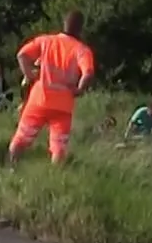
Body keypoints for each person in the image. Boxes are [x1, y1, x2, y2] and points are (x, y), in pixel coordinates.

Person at [9, 11, 96, 164]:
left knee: (21, 137)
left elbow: (22, 55)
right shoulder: (82, 50)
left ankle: (11, 166)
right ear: (81, 28)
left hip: (39, 99)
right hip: (63, 104)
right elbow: (88, 73)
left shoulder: (46, 41)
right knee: (59, 146)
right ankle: (55, 177)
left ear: (64, 23)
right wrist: (80, 89)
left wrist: (29, 75)